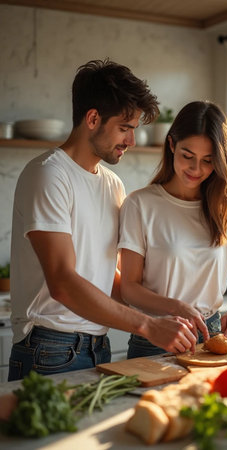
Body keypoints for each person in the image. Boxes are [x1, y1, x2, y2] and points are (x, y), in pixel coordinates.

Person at [8, 59, 198, 381]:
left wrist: (170, 307)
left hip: (99, 346)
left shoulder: (113, 185)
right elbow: (63, 283)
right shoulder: (48, 175)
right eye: (125, 128)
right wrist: (147, 325)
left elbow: (108, 277)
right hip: (49, 348)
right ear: (93, 118)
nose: (132, 141)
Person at [118, 100, 227, 359]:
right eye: (187, 156)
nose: (195, 169)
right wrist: (177, 308)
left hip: (212, 336)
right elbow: (129, 287)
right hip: (157, 335)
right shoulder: (140, 204)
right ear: (171, 145)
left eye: (208, 161)